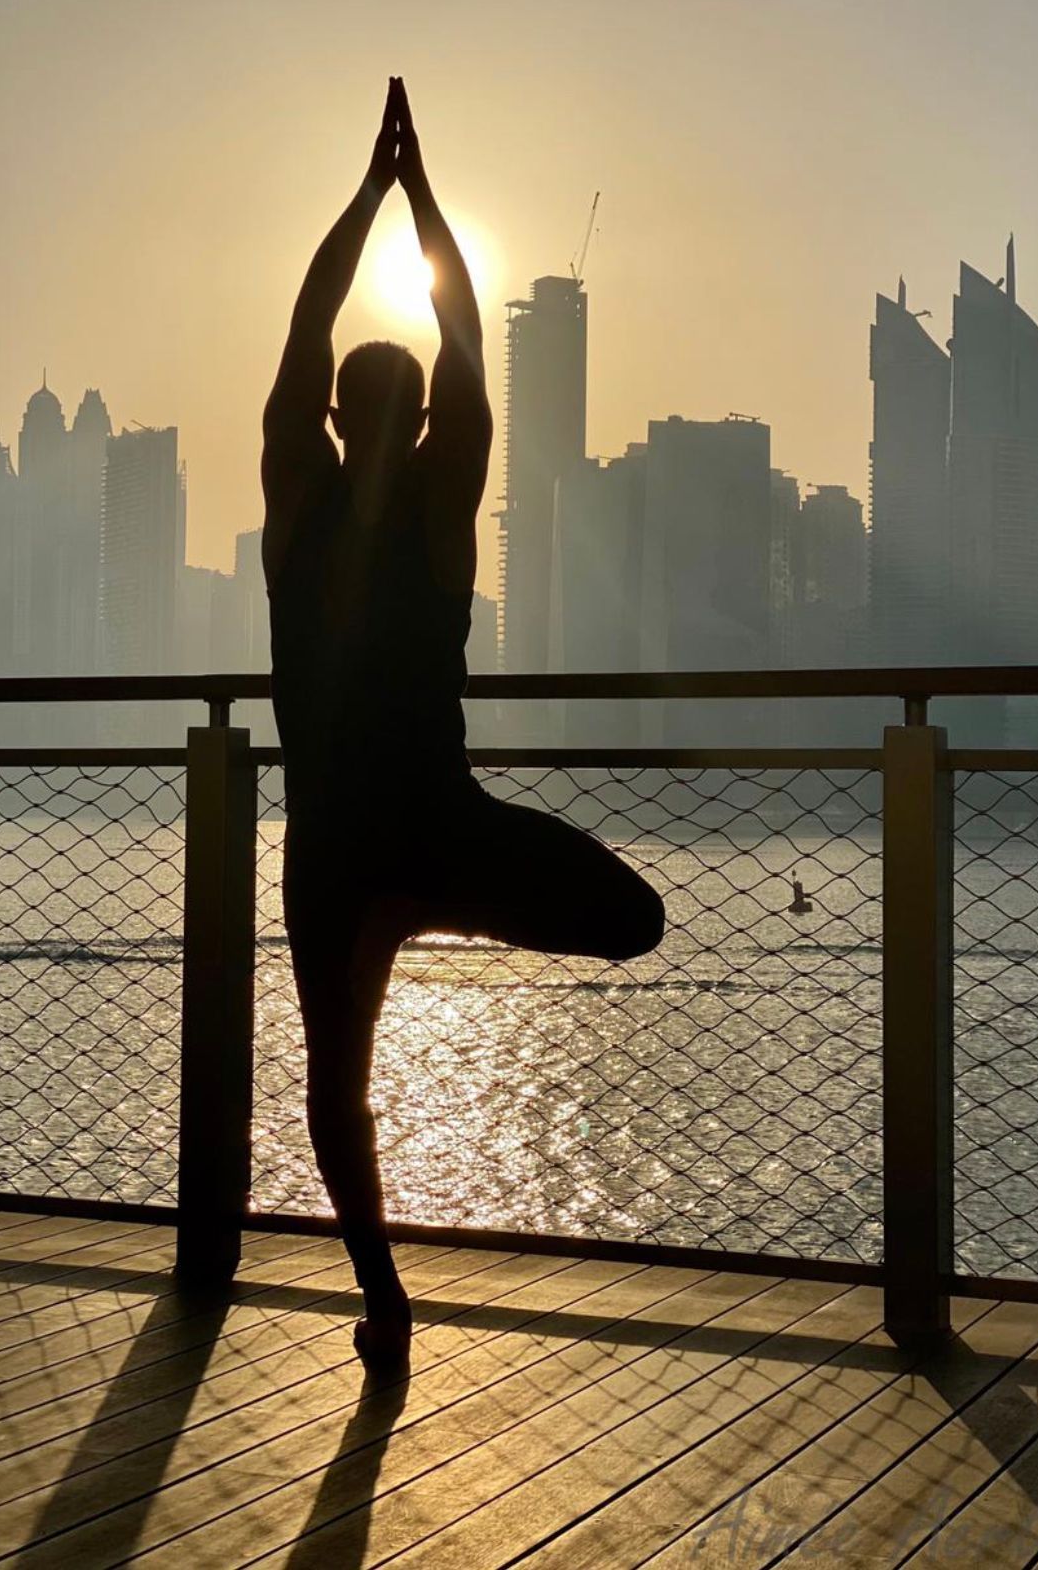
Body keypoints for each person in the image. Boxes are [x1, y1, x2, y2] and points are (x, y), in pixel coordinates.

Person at [262, 78, 665, 1371]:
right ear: (422, 421)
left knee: (338, 1083)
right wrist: (421, 195)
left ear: (331, 418)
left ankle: (381, 1299)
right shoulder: (443, 508)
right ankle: (467, 920)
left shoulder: (292, 506)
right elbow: (465, 342)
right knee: (633, 921)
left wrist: (368, 194)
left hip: (336, 846)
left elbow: (305, 320)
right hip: (440, 829)